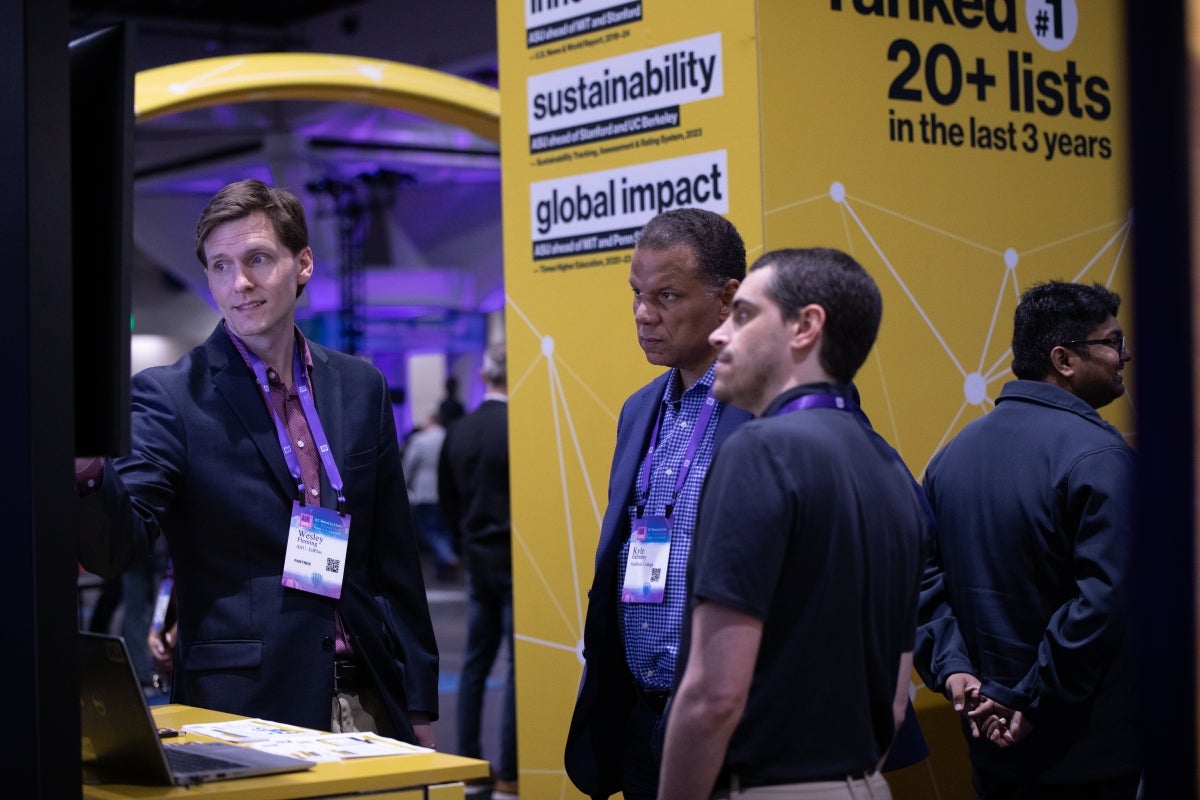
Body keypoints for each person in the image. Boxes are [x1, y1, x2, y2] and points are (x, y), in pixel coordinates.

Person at [74, 178, 439, 746]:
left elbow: (394, 560)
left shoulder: (359, 387)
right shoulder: (172, 396)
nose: (239, 283)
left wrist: (418, 707)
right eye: (220, 266)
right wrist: (89, 472)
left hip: (369, 698)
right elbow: (119, 547)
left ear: (303, 263)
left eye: (257, 259)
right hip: (243, 711)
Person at [657, 247, 929, 800]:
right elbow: (896, 703)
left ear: (805, 327)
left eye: (743, 315)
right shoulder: (893, 473)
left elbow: (714, 694)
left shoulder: (760, 452)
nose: (718, 336)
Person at [913, 280, 1141, 798]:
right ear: (1063, 359)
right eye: (1112, 341)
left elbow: (923, 584)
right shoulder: (1101, 460)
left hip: (988, 750)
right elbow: (1103, 604)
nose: (1124, 355)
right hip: (1087, 759)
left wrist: (955, 673)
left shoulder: (949, 459)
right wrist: (1031, 702)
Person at [564, 208, 751, 800]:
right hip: (644, 717)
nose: (645, 315)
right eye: (637, 294)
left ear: (728, 299)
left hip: (742, 724)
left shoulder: (772, 403)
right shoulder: (640, 409)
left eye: (667, 296)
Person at [438, 343, 517, 799]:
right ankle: (508, 774)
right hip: (513, 560)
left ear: (484, 376)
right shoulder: (519, 428)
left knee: (474, 665)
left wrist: (464, 544)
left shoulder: (460, 431)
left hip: (476, 558)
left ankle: (468, 766)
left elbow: (448, 501)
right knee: (516, 668)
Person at [402, 410, 461, 582]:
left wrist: (403, 486)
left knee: (427, 529)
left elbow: (409, 466)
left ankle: (447, 555)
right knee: (444, 529)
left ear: (430, 421)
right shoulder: (449, 437)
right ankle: (444, 567)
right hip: (447, 491)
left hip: (424, 491)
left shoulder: (420, 440)